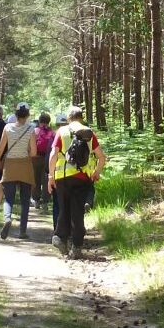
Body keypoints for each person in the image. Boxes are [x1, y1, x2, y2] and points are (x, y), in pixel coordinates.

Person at [49, 107, 106, 258]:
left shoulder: (61, 131)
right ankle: (76, 246)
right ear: (81, 117)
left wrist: (51, 177)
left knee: (64, 209)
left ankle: (60, 238)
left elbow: (53, 155)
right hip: (82, 178)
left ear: (69, 118)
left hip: (62, 178)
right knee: (77, 212)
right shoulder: (89, 132)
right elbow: (101, 157)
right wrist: (96, 173)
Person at [0, 104, 38, 239]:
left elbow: (0, 148)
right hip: (25, 165)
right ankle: (22, 231)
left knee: (8, 198)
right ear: (27, 116)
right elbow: (34, 152)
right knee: (25, 200)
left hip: (10, 165)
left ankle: (7, 219)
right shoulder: (31, 129)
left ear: (15, 115)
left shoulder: (7, 127)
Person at [32, 113, 55, 209]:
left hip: (36, 158)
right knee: (46, 180)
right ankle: (45, 202)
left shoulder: (35, 131)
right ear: (49, 121)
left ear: (39, 121)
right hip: (48, 158)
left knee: (35, 179)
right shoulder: (53, 133)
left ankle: (36, 200)